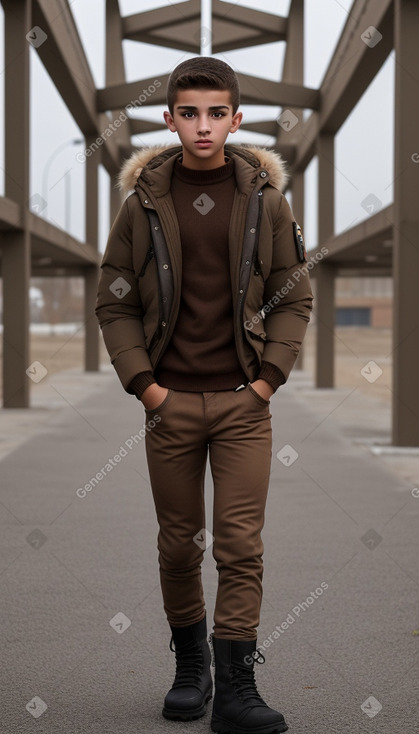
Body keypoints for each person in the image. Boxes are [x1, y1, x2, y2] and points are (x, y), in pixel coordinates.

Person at [96, 56, 313, 734]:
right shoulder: (143, 205)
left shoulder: (265, 202)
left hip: (243, 404)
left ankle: (236, 691)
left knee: (240, 546)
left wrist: (266, 381)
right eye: (188, 113)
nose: (202, 126)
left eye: (216, 113)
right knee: (178, 545)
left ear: (235, 119)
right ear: (169, 120)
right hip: (170, 405)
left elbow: (292, 295)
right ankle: (191, 667)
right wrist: (146, 387)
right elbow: (115, 300)